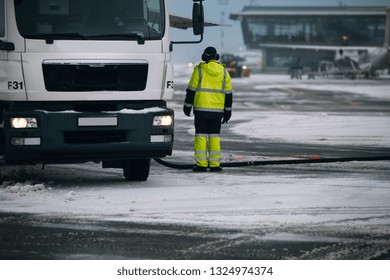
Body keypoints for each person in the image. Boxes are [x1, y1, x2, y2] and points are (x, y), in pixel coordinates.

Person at [183, 46, 233, 172]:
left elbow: (191, 91)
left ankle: (201, 164)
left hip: (201, 110)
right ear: (216, 57)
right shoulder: (224, 72)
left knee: (200, 135)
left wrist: (187, 107)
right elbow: (228, 94)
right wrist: (227, 112)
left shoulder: (199, 70)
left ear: (204, 57)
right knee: (214, 137)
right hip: (217, 112)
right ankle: (215, 164)